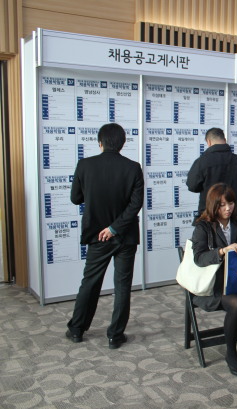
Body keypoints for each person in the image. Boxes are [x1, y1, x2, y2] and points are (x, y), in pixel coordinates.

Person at [66, 123, 144, 349]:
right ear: (123, 143)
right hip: (125, 236)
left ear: (100, 143)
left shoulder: (85, 165)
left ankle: (77, 330)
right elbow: (135, 204)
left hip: (96, 236)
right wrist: (115, 228)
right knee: (122, 286)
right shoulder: (133, 168)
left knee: (89, 283)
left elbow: (75, 198)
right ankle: (115, 335)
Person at [191, 183, 237, 377]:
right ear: (213, 206)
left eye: (230, 203)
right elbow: (199, 258)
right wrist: (221, 251)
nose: (228, 208)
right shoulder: (202, 227)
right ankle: (231, 352)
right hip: (214, 286)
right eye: (222, 205)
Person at [187, 127, 237, 220]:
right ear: (225, 140)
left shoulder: (202, 162)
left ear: (208, 141)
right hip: (233, 216)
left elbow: (192, 186)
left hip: (209, 216)